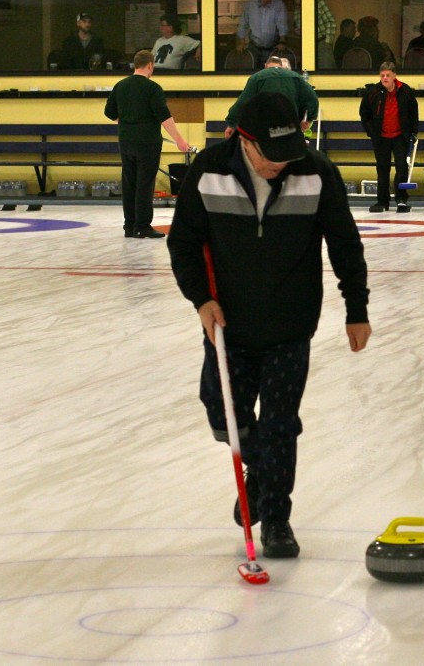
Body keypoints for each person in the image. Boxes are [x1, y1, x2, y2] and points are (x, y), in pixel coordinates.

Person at [166, 91, 371, 560]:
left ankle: (276, 518)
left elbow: (344, 241)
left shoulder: (316, 171)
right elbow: (183, 242)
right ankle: (261, 478)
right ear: (243, 139)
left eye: (287, 154)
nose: (278, 165)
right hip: (227, 323)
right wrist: (201, 300)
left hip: (290, 323)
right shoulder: (210, 169)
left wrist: (355, 309)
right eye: (269, 156)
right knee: (223, 414)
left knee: (279, 425)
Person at [104, 50, 190, 239]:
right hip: (148, 143)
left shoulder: (120, 86)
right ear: (150, 65)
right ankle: (142, 225)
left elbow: (109, 113)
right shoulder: (153, 89)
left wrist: (127, 119)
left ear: (136, 65)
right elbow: (164, 117)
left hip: (126, 141)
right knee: (145, 184)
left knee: (129, 183)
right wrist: (179, 141)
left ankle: (129, 225)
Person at [359, 61, 419, 213]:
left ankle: (401, 200)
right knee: (382, 169)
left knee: (401, 167)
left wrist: (413, 132)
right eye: (382, 75)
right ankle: (382, 201)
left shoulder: (405, 91)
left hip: (400, 136)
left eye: (388, 75)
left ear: (394, 76)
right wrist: (371, 132)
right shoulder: (372, 92)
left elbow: (413, 112)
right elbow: (364, 113)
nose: (384, 78)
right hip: (380, 137)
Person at [223, 54, 319, 138]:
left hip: (265, 128)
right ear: (281, 66)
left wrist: (231, 124)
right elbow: (312, 98)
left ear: (265, 66)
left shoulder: (257, 78)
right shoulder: (295, 77)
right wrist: (308, 119)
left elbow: (242, 103)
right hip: (290, 127)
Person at [236, 0, 289, 66]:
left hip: (273, 48)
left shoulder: (279, 5)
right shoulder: (250, 5)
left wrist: (282, 42)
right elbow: (243, 25)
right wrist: (242, 43)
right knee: (251, 71)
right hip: (254, 47)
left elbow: (282, 25)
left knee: (270, 74)